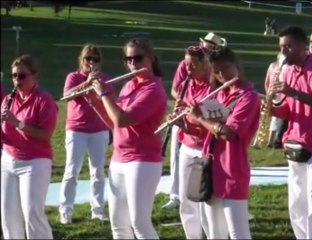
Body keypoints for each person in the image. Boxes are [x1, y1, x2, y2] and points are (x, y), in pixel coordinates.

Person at [89, 38, 167, 239]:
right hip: (119, 159)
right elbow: (113, 122)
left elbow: (123, 119)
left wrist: (104, 93)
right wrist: (95, 101)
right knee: (118, 225)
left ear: (151, 59)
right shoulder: (128, 86)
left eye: (138, 58)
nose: (133, 64)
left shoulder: (153, 89)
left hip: (142, 161)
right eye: (128, 59)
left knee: (139, 224)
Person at [186, 46, 260, 239]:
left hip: (232, 169)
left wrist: (201, 118)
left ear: (236, 65)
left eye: (226, 69)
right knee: (214, 233)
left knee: (238, 233)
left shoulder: (248, 97)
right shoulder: (220, 95)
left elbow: (229, 134)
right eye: (217, 72)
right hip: (211, 169)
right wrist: (188, 125)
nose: (222, 75)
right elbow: (208, 133)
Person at [269, 26, 312, 239]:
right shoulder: (286, 71)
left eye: (288, 46)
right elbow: (287, 110)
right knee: (296, 202)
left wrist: (292, 92)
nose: (283, 51)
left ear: (301, 46)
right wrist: (270, 105)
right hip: (293, 141)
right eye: (281, 47)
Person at [163, 32, 227, 209]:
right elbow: (175, 90)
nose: (188, 69)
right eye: (206, 44)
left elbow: (215, 114)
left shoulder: (213, 78)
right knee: (177, 159)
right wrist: (183, 107)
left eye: (212, 46)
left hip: (204, 136)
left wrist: (195, 111)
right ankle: (175, 196)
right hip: (186, 125)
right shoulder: (187, 72)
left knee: (204, 187)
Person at [1, 54, 58, 239]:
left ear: (34, 76)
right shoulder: (8, 100)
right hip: (8, 160)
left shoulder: (44, 100)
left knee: (32, 214)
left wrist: (18, 123)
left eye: (22, 76)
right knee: (8, 216)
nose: (17, 80)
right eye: (14, 76)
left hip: (34, 162)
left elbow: (45, 135)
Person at [58, 43, 113, 224]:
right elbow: (66, 95)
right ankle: (65, 210)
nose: (91, 62)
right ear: (82, 60)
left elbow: (111, 101)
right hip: (76, 129)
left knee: (97, 172)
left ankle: (97, 210)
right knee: (71, 170)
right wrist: (87, 83)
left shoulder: (104, 78)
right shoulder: (73, 77)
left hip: (99, 130)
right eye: (88, 58)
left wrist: (99, 86)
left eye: (95, 59)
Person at [171, 46, 212, 239]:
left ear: (205, 64)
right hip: (187, 146)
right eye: (186, 65)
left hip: (205, 148)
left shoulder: (212, 88)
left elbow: (212, 123)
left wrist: (190, 117)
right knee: (187, 199)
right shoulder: (186, 85)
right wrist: (179, 119)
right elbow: (186, 116)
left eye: (193, 65)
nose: (188, 70)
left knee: (204, 201)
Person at [264, 52, 288, 148]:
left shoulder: (272, 65)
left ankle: (271, 140)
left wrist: (268, 92)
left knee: (275, 117)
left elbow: (266, 82)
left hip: (273, 92)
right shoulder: (282, 68)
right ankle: (274, 140)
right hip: (278, 93)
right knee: (277, 118)